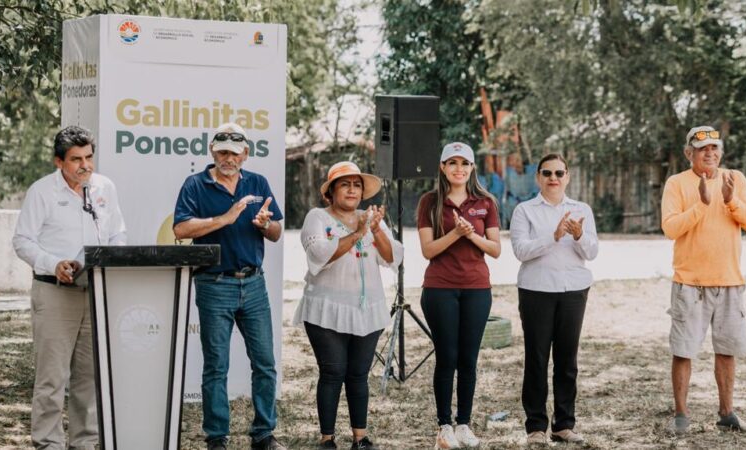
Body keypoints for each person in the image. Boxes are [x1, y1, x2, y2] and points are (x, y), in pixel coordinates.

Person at [13, 125, 127, 449]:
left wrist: (113, 254)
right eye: (76, 159)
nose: (85, 166)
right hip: (54, 293)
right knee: (52, 378)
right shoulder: (41, 192)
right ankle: (48, 443)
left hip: (95, 292)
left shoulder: (105, 187)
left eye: (89, 157)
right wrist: (54, 263)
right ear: (58, 162)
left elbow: (118, 233)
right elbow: (22, 241)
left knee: (89, 378)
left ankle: (85, 443)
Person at [173, 123, 285, 450]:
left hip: (253, 284)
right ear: (212, 151)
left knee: (264, 362)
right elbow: (181, 228)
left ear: (245, 154)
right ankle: (217, 437)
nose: (228, 158)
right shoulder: (195, 184)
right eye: (222, 151)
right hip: (214, 283)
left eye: (234, 153)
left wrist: (266, 225)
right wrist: (225, 217)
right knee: (216, 365)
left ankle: (264, 433)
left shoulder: (257, 183)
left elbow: (277, 232)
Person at [293, 161, 403, 450]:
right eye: (345, 184)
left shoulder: (371, 219)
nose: (352, 189)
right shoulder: (317, 217)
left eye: (357, 184)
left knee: (358, 374)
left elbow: (392, 258)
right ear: (331, 192)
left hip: (367, 311)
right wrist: (358, 232)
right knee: (332, 372)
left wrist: (376, 230)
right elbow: (321, 255)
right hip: (326, 309)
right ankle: (327, 439)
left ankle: (360, 438)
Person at [661, 126, 746, 435]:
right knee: (684, 350)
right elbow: (670, 228)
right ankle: (681, 415)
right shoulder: (677, 183)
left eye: (715, 148)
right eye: (702, 149)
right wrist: (701, 205)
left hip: (729, 281)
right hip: (690, 283)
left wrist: (731, 201)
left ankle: (727, 412)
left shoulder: (736, 179)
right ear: (689, 153)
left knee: (727, 349)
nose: (710, 153)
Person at [416, 142, 501, 449]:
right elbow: (427, 250)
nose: (458, 169)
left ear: (472, 167)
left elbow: (495, 249)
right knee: (447, 357)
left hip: (477, 289)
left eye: (464, 163)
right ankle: (444, 426)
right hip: (439, 288)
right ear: (442, 167)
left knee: (468, 359)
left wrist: (472, 235)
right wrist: (455, 233)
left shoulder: (485, 202)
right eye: (452, 163)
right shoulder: (429, 202)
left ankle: (464, 424)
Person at [509, 154, 597, 445]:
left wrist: (579, 234)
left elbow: (591, 252)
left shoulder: (581, 209)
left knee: (567, 360)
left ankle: (563, 424)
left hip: (573, 291)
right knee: (536, 359)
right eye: (547, 173)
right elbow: (521, 250)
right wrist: (554, 235)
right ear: (538, 177)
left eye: (559, 172)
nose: (553, 178)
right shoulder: (525, 210)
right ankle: (535, 426)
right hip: (536, 291)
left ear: (568, 176)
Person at [503, 152, 538, 228]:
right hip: (515, 203)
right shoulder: (509, 172)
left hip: (531, 203)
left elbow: (536, 189)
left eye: (516, 160)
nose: (513, 162)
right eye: (511, 160)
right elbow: (507, 190)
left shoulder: (532, 170)